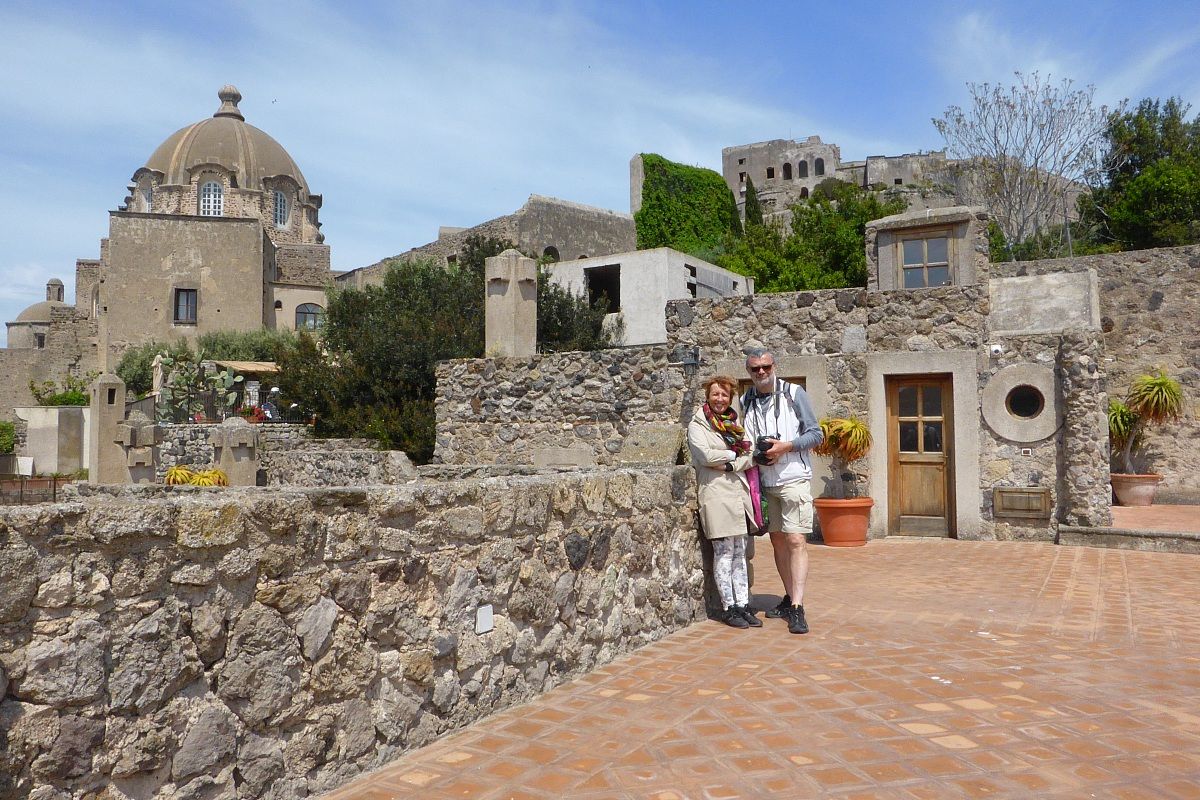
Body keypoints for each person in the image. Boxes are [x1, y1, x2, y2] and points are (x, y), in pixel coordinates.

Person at [741, 347, 823, 634]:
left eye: (766, 366)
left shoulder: (793, 393)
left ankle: (798, 608)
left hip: (794, 478)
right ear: (749, 372)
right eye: (755, 369)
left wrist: (785, 446)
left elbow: (816, 434)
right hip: (766, 482)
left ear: (775, 365)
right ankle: (789, 597)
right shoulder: (745, 401)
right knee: (777, 542)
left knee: (797, 540)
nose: (761, 372)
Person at [687, 375, 762, 629]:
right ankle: (728, 608)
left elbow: (750, 454)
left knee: (740, 552)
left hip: (738, 493)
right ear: (708, 395)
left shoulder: (735, 422)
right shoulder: (698, 424)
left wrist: (728, 463)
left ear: (730, 398)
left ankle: (743, 604)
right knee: (723, 552)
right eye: (715, 394)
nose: (720, 399)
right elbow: (705, 455)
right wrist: (734, 454)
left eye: (724, 395)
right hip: (716, 494)